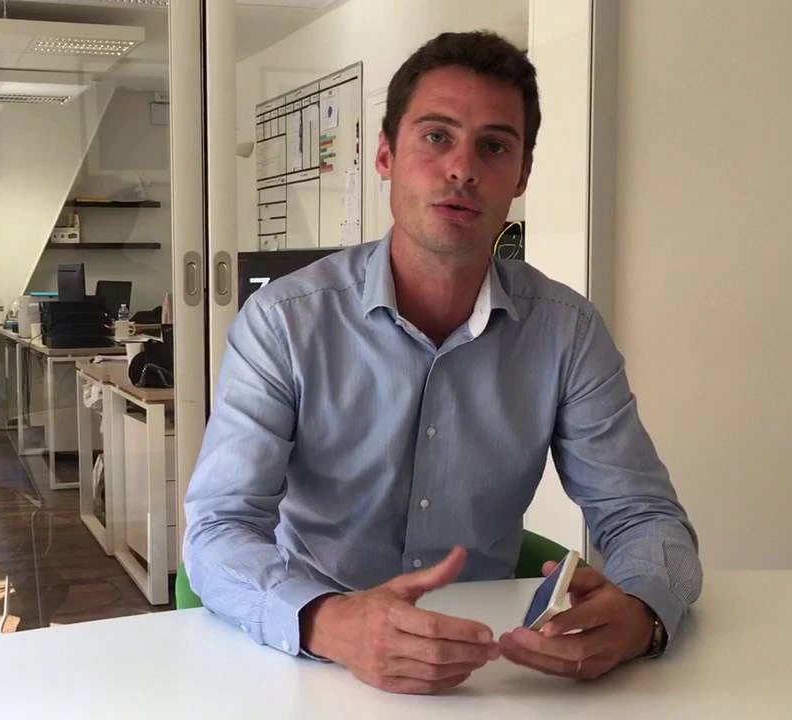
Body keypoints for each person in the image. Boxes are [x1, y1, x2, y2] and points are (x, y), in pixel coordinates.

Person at [183, 31, 702, 696]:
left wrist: (640, 613)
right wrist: (328, 621)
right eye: (436, 137)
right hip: (314, 658)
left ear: (521, 176)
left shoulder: (567, 332)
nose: (463, 168)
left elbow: (643, 515)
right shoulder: (284, 322)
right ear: (385, 154)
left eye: (494, 146)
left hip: (487, 667)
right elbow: (220, 528)